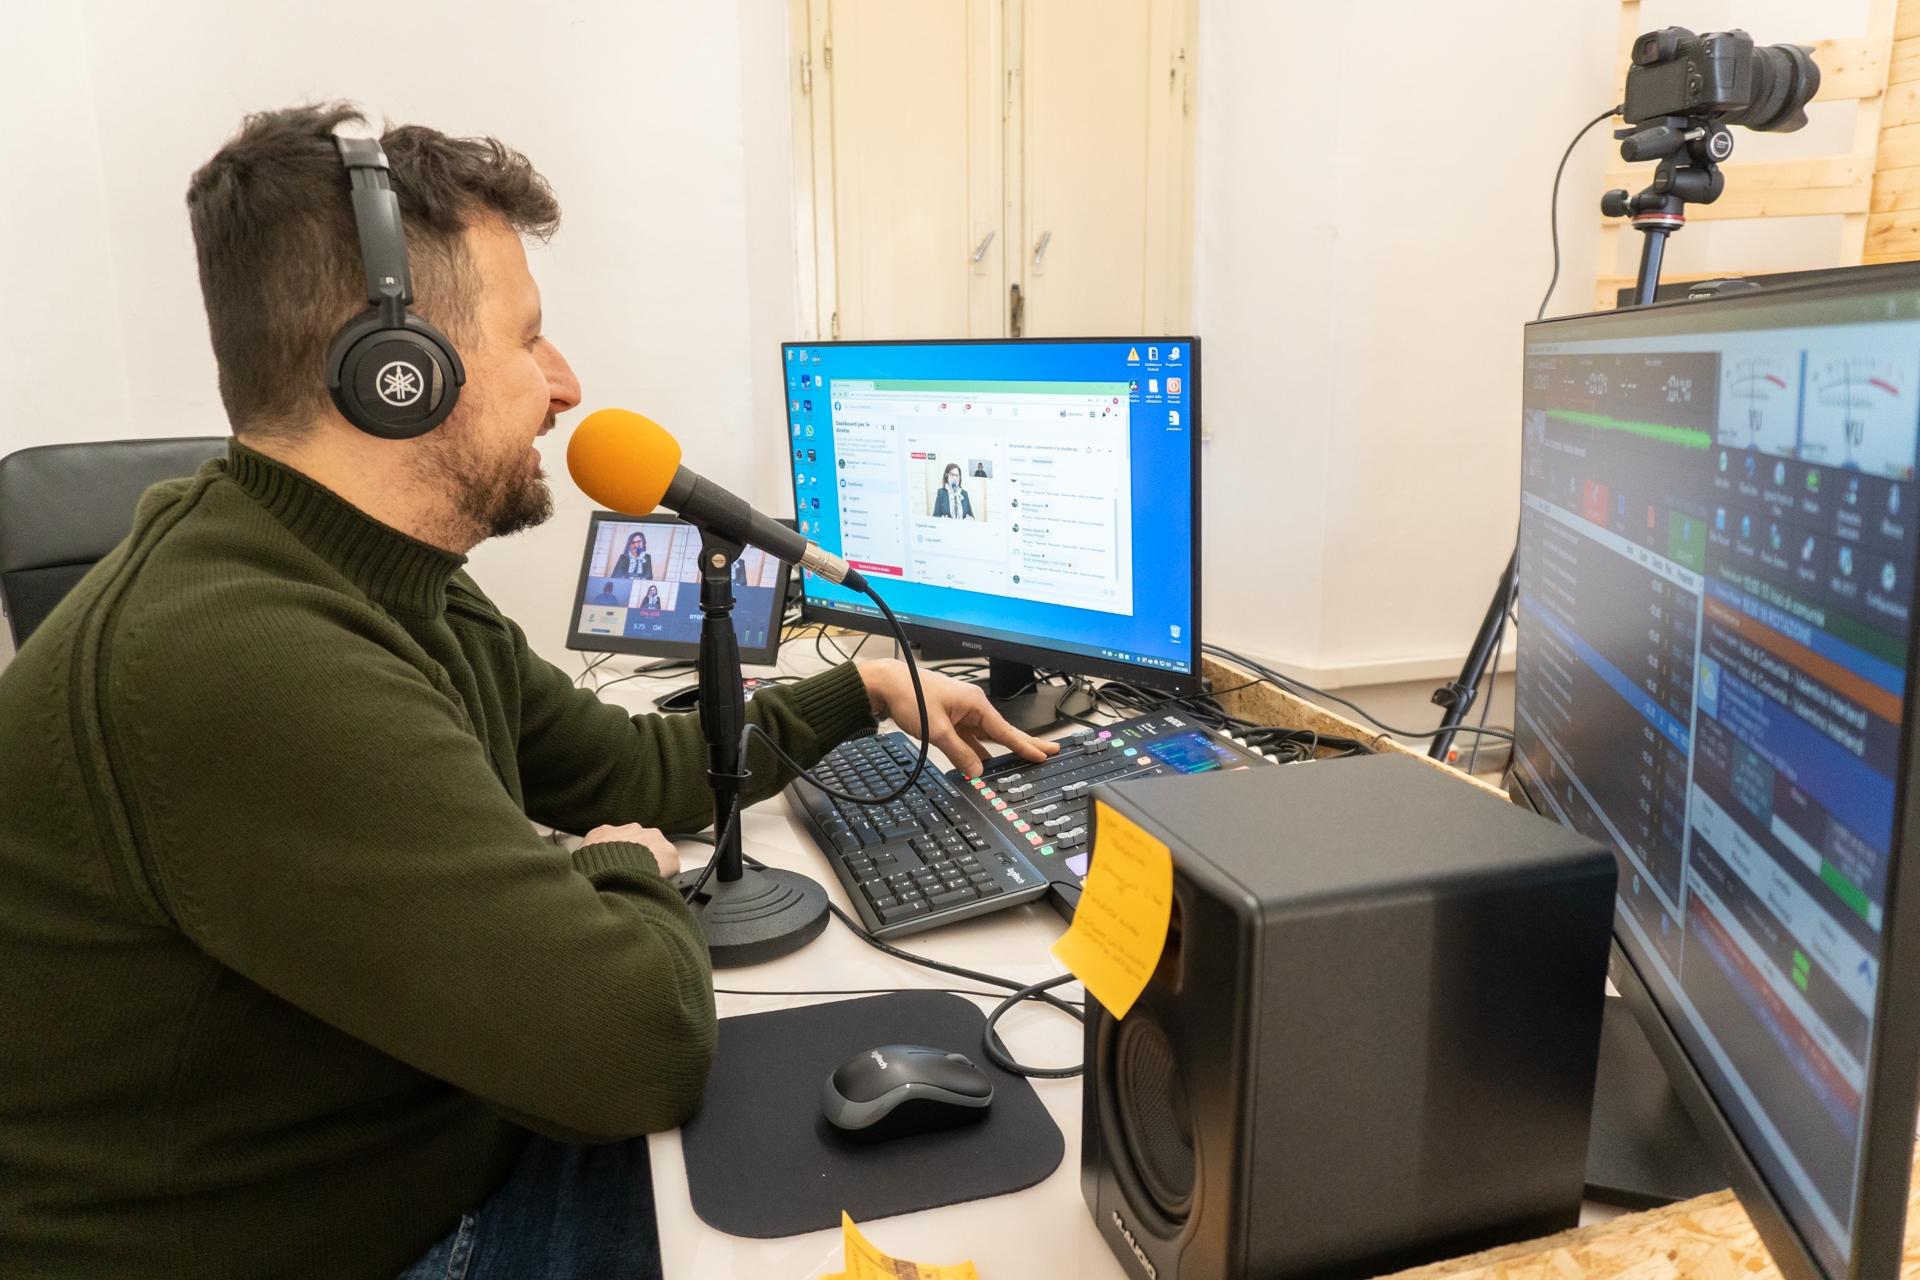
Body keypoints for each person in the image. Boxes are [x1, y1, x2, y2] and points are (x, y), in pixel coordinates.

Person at [0, 104, 1053, 1280]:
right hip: (373, 1237)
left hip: (437, 1136)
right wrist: (622, 868)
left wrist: (859, 692)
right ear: (396, 371)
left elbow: (627, 768)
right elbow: (634, 1046)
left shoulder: (387, 580)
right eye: (530, 338)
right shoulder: (239, 656)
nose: (565, 385)